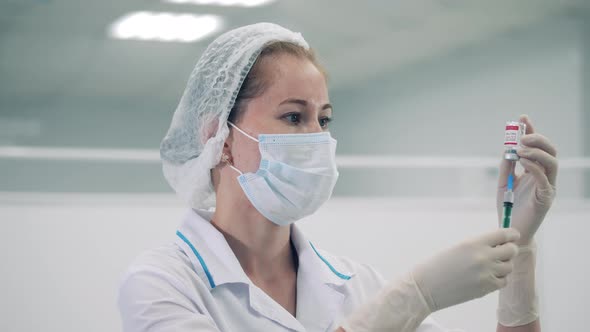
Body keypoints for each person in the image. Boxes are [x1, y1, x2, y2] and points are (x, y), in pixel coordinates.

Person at [117, 23, 558, 332]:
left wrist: (518, 248)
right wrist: (408, 302)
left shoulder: (355, 284)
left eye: (323, 121)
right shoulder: (164, 283)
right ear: (220, 138)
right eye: (293, 116)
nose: (316, 139)